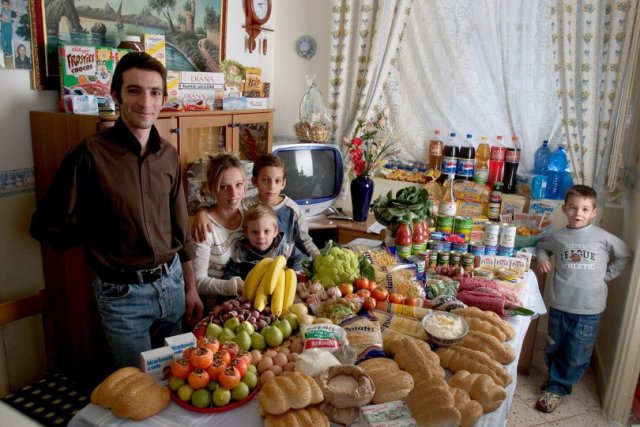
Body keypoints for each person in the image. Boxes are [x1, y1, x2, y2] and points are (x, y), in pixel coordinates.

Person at [30, 51, 203, 368]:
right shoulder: (90, 154)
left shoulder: (167, 155)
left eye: (154, 92)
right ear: (115, 95)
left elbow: (182, 231)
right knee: (138, 389)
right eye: (134, 90)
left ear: (163, 98)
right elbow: (45, 225)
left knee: (180, 379)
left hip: (172, 286)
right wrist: (95, 232)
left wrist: (190, 288)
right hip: (123, 297)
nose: (145, 102)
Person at [534, 184, 632, 413]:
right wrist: (542, 258)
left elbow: (625, 254)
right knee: (553, 347)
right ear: (564, 209)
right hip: (560, 304)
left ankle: (558, 388)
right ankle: (555, 379)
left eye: (585, 209)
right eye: (573, 208)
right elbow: (542, 247)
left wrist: (606, 276)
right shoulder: (558, 237)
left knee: (577, 353)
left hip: (589, 309)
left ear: (594, 212)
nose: (578, 214)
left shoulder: (603, 237)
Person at [192, 153, 320, 258]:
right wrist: (201, 212)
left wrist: (318, 259)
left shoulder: (293, 211)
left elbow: (305, 243)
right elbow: (220, 203)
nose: (271, 186)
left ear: (283, 183)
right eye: (265, 180)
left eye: (277, 181)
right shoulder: (246, 204)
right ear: (254, 182)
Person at [192, 153, 246, 306]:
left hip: (250, 303)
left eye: (238, 184)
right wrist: (233, 287)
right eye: (224, 187)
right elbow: (198, 282)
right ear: (212, 188)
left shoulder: (250, 216)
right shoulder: (205, 227)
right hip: (217, 308)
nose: (234, 194)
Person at [223, 203, 308, 279]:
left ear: (275, 232)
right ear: (246, 233)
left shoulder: (285, 249)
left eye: (266, 231)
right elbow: (228, 274)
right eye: (255, 232)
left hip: (280, 290)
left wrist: (294, 273)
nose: (261, 237)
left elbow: (302, 260)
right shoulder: (240, 254)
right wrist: (238, 283)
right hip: (251, 293)